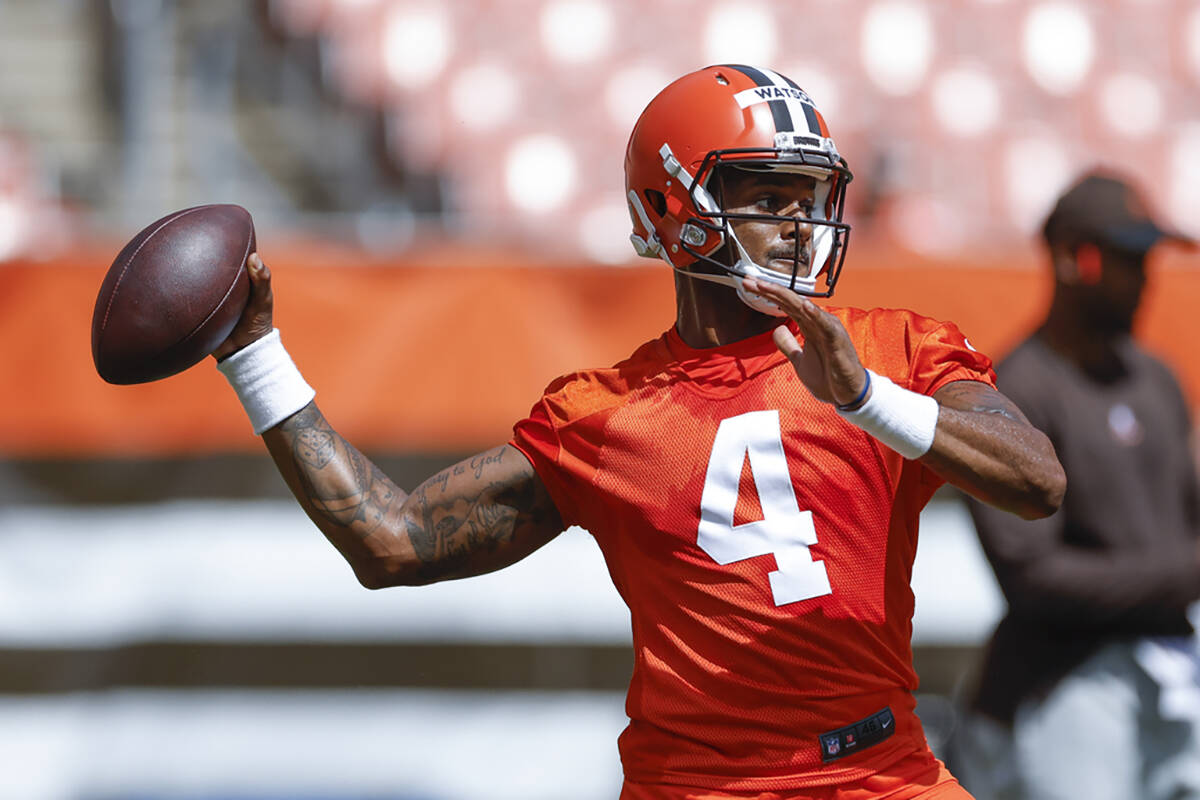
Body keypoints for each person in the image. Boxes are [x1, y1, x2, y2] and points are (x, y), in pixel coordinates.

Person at [211, 65, 1065, 798]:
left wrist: (867, 398)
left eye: (812, 197)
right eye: (772, 197)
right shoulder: (606, 414)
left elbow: (1038, 484)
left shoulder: (890, 354)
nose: (804, 225)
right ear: (674, 207)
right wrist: (256, 356)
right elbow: (391, 542)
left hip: (883, 768)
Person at [951, 171, 1200, 800]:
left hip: (1174, 673)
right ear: (1071, 259)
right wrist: (1182, 577)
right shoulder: (1017, 391)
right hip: (1063, 684)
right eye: (1126, 258)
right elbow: (1031, 574)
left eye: (1147, 259)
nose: (1144, 277)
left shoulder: (1155, 380)